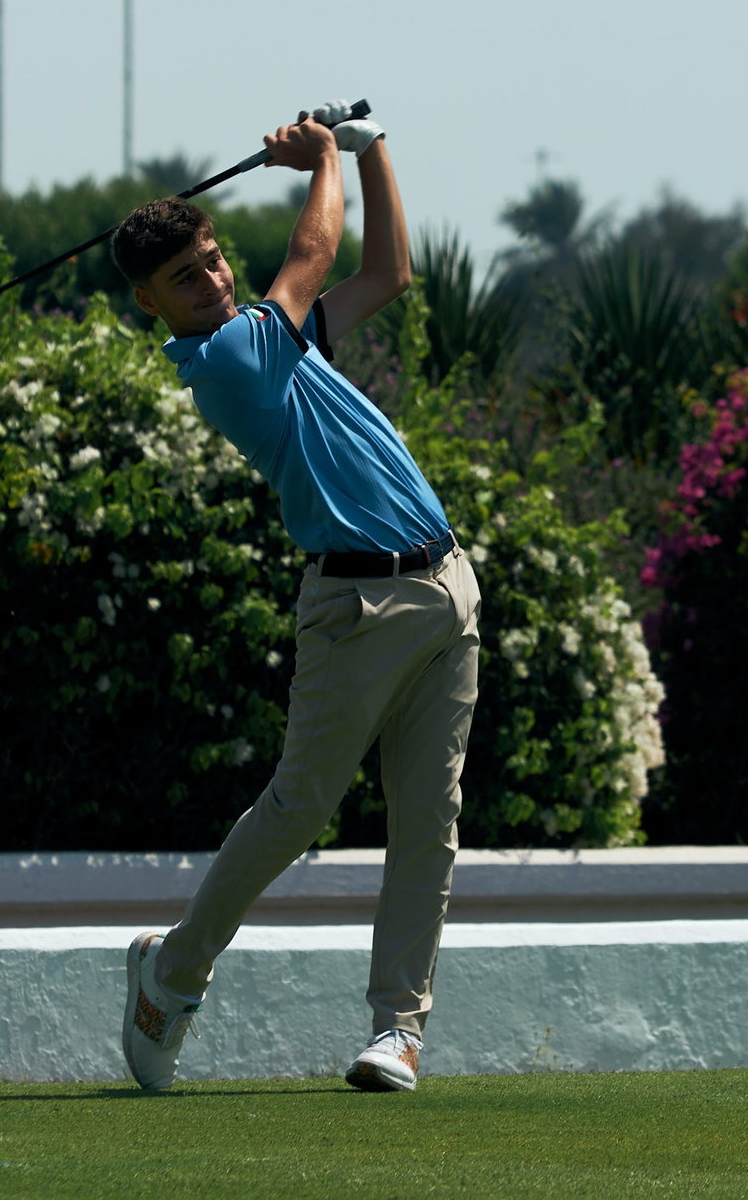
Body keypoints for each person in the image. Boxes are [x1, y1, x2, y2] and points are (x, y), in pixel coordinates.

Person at [108, 99, 481, 1094]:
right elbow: (315, 251)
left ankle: (396, 1031)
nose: (212, 279)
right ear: (151, 302)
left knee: (427, 823)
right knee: (298, 805)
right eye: (185, 276)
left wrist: (370, 151)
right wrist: (319, 160)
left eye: (215, 258)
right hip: (354, 608)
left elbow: (384, 272)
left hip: (445, 590)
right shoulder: (227, 359)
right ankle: (171, 972)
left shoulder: (278, 336)